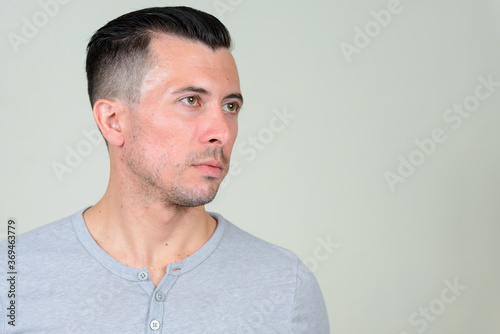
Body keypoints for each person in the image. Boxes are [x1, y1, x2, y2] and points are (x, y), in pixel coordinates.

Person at [0, 6, 329, 333]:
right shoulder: (13, 277)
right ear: (113, 122)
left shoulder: (286, 288)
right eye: (191, 100)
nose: (223, 132)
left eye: (230, 106)